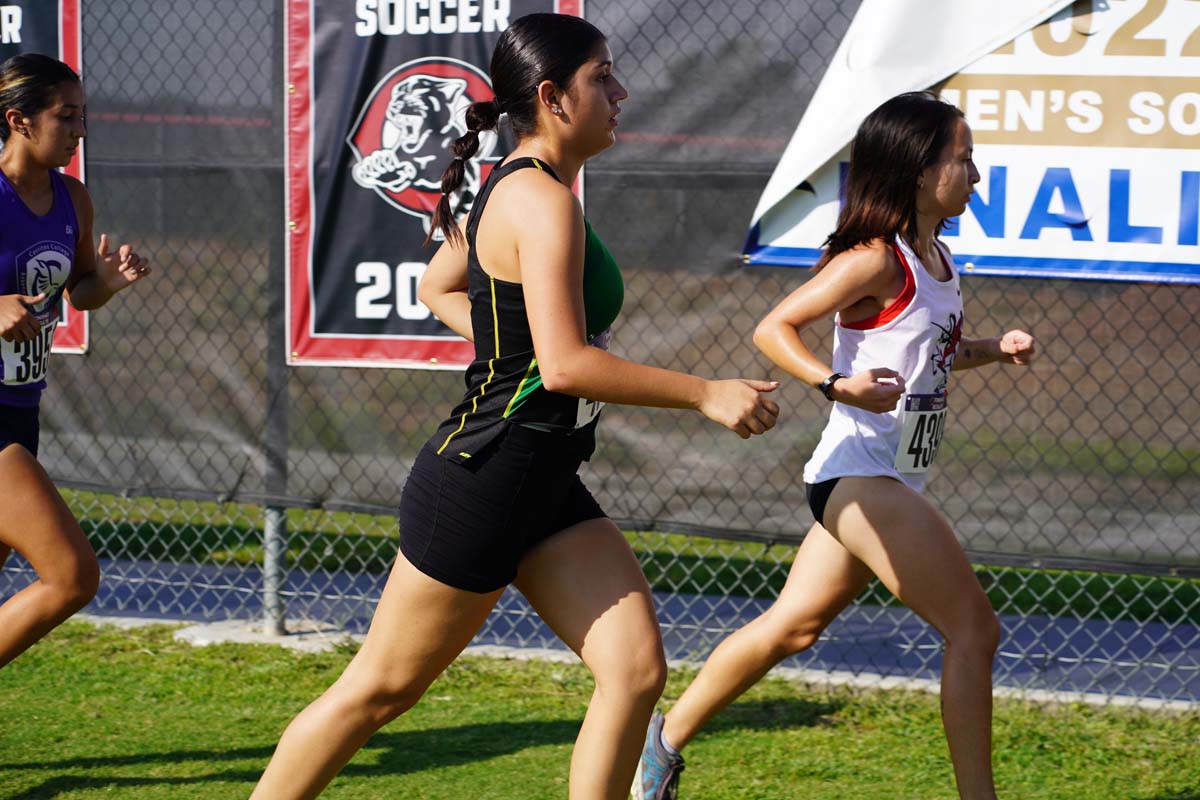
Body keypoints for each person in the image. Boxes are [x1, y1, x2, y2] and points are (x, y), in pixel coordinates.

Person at [251, 14, 779, 800]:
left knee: (635, 672)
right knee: (378, 693)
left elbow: (442, 290)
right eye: (602, 77)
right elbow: (565, 368)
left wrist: (511, 351)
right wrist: (705, 392)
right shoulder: (538, 200)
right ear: (551, 97)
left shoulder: (528, 187)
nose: (620, 91)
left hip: (543, 481)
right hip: (486, 481)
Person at [633, 91, 1036, 800]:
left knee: (792, 627)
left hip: (888, 477)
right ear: (919, 170)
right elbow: (773, 329)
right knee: (975, 630)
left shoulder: (937, 257)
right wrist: (833, 383)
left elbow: (932, 355)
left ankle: (659, 746)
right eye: (963, 159)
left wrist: (992, 350)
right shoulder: (874, 260)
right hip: (858, 478)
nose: (976, 174)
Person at [0, 53, 151, 668]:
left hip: (21, 409)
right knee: (71, 577)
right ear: (19, 120)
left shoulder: (73, 199)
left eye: (83, 115)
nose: (80, 130)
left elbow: (79, 290)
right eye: (66, 117)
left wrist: (107, 283)